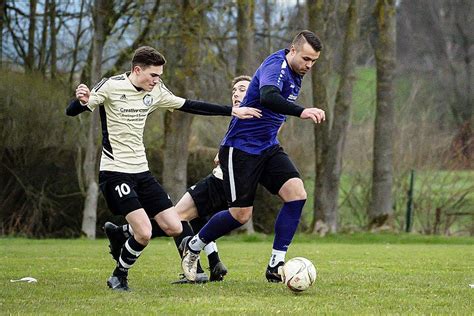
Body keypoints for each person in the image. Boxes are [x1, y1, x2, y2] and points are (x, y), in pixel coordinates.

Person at [66, 46, 261, 291]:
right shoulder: (111, 86)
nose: (158, 80)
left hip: (142, 172)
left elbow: (190, 104)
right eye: (154, 75)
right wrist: (80, 100)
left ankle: (120, 240)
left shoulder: (156, 91)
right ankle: (119, 275)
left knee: (174, 225)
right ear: (137, 70)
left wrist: (231, 111)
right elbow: (72, 111)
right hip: (116, 172)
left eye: (160, 75)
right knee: (145, 232)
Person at [180, 30, 325, 283]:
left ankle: (275, 263)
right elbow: (269, 96)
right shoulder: (275, 65)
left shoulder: (296, 72)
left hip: (267, 147)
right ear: (292, 50)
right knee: (240, 215)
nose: (309, 65)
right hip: (241, 149)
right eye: (306, 59)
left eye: (313, 61)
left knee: (297, 193)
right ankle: (193, 247)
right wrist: (302, 112)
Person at [103, 75, 252, 284]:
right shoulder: (240, 117)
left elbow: (251, 149)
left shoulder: (254, 116)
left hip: (219, 183)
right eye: (234, 90)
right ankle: (213, 262)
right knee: (193, 220)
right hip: (229, 185)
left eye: (243, 89)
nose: (236, 93)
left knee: (177, 219)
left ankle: (193, 270)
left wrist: (225, 154)